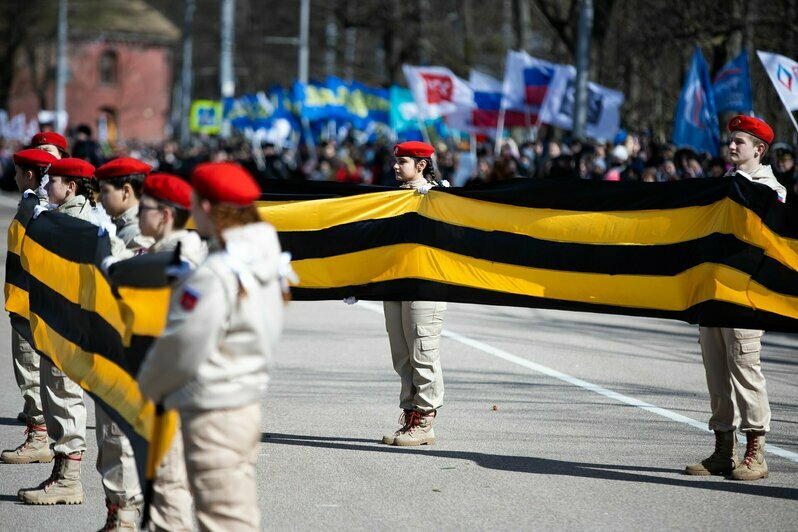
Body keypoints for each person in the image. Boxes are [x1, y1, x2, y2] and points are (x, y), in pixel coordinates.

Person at [137, 162, 284, 531]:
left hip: (214, 409)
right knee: (234, 515)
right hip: (243, 402)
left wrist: (147, 387)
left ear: (205, 207)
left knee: (222, 521)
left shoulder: (218, 271)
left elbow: (182, 346)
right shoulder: (262, 258)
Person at [685, 115, 786, 481]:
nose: (731, 146)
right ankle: (722, 450)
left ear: (759, 150)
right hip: (714, 292)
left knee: (745, 369)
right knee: (716, 372)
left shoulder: (771, 190)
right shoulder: (724, 185)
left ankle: (755, 452)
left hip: (745, 296)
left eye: (740, 141)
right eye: (731, 140)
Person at [18, 158, 99, 505]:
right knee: (54, 393)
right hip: (56, 322)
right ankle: (62, 472)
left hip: (71, 327)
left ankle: (69, 479)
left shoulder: (77, 221)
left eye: (53, 181)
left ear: (72, 187)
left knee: (65, 397)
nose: (45, 187)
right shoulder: (61, 215)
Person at [135, 172, 206, 531]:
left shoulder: (178, 262)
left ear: (164, 214)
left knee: (167, 481)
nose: (137, 214)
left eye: (143, 208)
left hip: (174, 391)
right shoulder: (166, 253)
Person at [382, 141, 447, 447]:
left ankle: (425, 420)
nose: (395, 166)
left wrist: (436, 198)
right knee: (402, 354)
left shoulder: (440, 194)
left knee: (423, 351)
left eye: (402, 161)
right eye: (395, 161)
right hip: (396, 278)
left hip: (426, 282)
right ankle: (410, 415)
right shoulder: (392, 195)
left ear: (421, 165)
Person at [1, 148, 59, 466]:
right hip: (29, 299)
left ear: (29, 175)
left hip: (27, 301)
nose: (13, 177)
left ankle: (38, 438)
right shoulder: (38, 203)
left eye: (17, 171)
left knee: (30, 370)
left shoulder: (34, 206)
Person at [96, 157, 156, 251]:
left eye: (105, 191)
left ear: (126, 191)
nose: (98, 199)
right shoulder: (125, 226)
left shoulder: (138, 235)